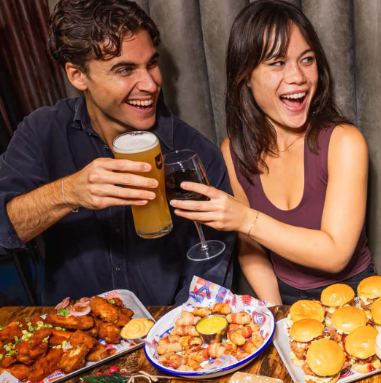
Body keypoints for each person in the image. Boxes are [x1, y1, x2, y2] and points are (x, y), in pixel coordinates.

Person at [0, 0, 235, 306]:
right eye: (125, 70)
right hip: (71, 333)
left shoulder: (194, 152)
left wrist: (167, 337)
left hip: (162, 335)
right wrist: (68, 192)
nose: (150, 84)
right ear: (77, 75)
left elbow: (210, 275)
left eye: (152, 63)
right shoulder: (43, 131)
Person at [169, 1, 373, 306]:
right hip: (281, 295)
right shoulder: (233, 151)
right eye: (277, 63)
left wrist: (244, 219)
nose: (298, 77)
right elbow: (250, 249)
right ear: (246, 77)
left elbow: (335, 255)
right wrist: (276, 314)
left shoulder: (345, 142)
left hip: (353, 295)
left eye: (307, 59)